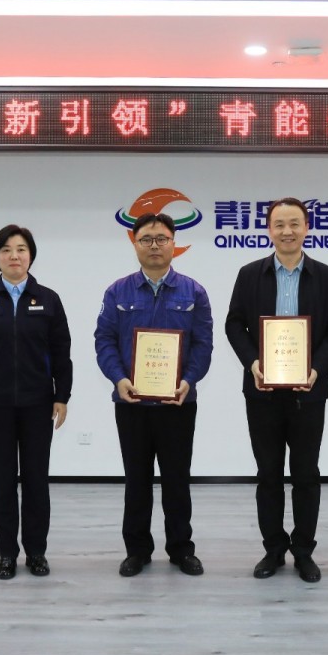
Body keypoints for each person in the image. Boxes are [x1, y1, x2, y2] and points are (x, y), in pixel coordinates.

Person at [225, 197, 328, 583]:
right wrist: (252, 362)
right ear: (269, 230)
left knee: (306, 474)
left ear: (307, 228)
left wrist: (317, 368)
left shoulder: (326, 277)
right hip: (261, 391)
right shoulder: (250, 274)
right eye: (279, 224)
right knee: (268, 473)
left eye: (294, 223)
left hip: (308, 391)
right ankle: (273, 550)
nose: (287, 231)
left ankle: (304, 551)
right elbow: (234, 324)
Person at [95, 213, 213, 577]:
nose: (155, 246)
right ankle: (137, 550)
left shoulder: (194, 292)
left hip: (178, 402)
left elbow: (203, 345)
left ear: (174, 243)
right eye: (146, 239)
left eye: (162, 238)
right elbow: (104, 341)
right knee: (137, 479)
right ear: (135, 244)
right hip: (132, 402)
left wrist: (189, 380)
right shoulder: (117, 292)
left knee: (177, 478)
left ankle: (181, 549)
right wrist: (118, 379)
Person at [0, 224, 72, 580]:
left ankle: (36, 553)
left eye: (21, 249)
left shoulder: (48, 299)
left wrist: (62, 396)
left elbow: (62, 353)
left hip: (39, 404)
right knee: (3, 483)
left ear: (31, 256)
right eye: (6, 250)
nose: (14, 256)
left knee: (36, 481)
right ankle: (7, 553)